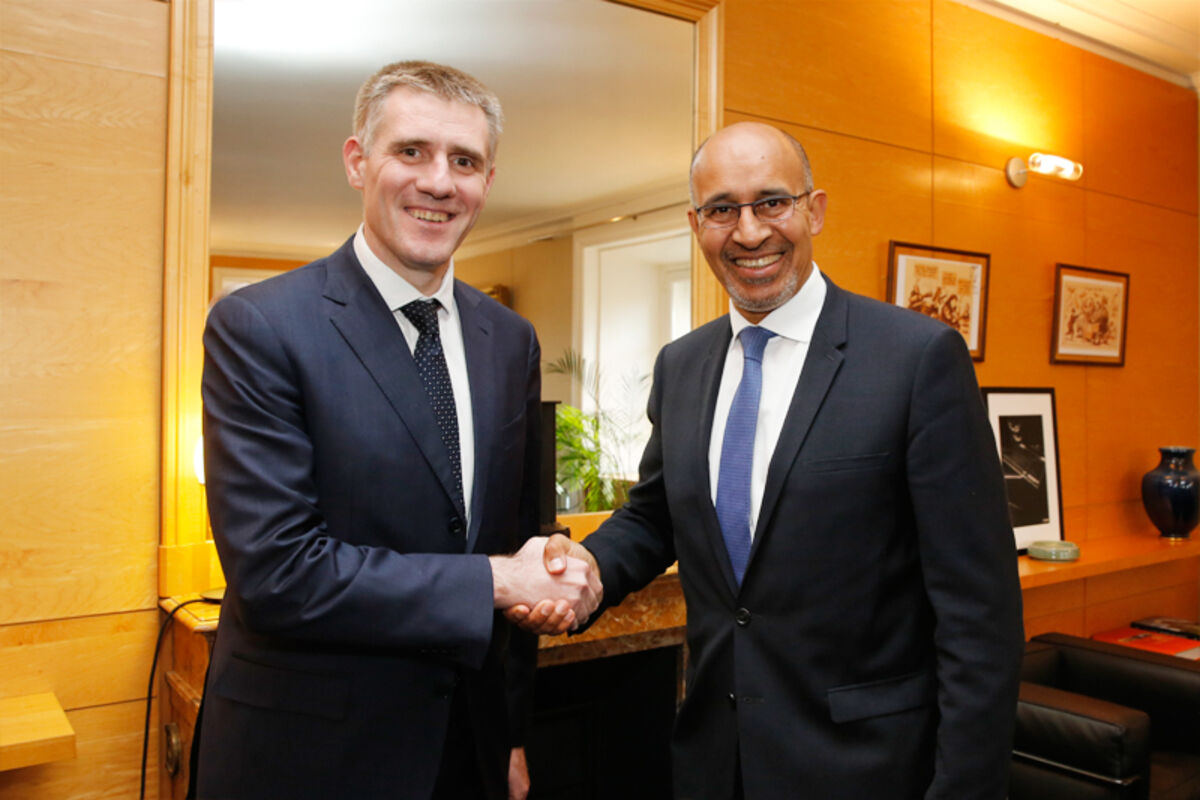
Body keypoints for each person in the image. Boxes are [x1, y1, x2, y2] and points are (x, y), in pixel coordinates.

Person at [512, 121, 1024, 799]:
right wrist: (586, 571)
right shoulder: (682, 364)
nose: (749, 232)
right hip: (715, 761)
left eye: (772, 202)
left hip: (868, 769)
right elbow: (657, 514)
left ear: (815, 210)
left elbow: (979, 612)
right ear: (697, 225)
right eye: (722, 209)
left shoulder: (916, 359)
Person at [194, 61, 600, 800]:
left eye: (464, 161)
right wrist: (497, 580)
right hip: (309, 758)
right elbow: (279, 574)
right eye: (412, 151)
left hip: (468, 748)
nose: (439, 182)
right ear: (358, 162)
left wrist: (510, 733)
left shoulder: (510, 339)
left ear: (487, 181)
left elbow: (517, 535)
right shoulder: (259, 326)